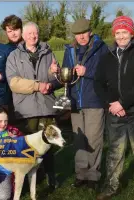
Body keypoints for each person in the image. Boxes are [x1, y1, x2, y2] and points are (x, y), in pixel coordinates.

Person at [94, 16, 134, 200]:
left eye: (124, 32)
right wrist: (112, 104)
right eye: (118, 33)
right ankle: (111, 187)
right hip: (115, 112)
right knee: (115, 152)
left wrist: (123, 103)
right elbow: (98, 84)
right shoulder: (107, 57)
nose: (121, 36)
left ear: (131, 33)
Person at [50, 18, 108, 189]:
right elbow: (67, 77)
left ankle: (93, 176)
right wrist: (56, 72)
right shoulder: (70, 50)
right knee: (79, 140)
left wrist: (88, 72)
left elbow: (107, 74)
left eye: (84, 33)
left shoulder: (102, 48)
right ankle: (81, 174)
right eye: (77, 34)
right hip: (75, 102)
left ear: (90, 32)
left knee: (94, 140)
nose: (81, 37)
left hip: (94, 100)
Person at [5, 21, 61, 190]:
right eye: (29, 34)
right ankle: (30, 180)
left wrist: (54, 77)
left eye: (35, 33)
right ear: (23, 36)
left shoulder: (49, 53)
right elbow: (14, 83)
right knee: (28, 148)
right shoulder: (14, 56)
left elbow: (58, 81)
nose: (32, 36)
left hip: (47, 107)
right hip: (25, 110)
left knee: (48, 144)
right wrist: (38, 86)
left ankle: (51, 177)